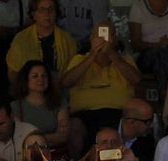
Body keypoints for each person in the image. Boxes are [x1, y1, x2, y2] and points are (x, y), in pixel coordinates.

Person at [60, 20, 142, 150]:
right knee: (74, 126)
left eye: (107, 35)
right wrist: (92, 55)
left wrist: (111, 53)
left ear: (114, 39)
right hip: (85, 114)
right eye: (99, 36)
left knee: (132, 126)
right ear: (92, 39)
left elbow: (136, 79)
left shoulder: (125, 60)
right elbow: (66, 82)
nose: (103, 39)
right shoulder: (80, 59)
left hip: (119, 114)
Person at [128, 0, 168, 96]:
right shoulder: (138, 7)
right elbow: (135, 43)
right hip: (148, 54)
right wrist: (157, 45)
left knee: (164, 53)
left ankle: (164, 93)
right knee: (162, 52)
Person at [6, 0, 78, 83]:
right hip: (28, 90)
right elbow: (13, 73)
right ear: (33, 14)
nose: (47, 13)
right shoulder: (21, 39)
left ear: (56, 13)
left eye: (51, 9)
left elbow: (73, 71)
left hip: (60, 88)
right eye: (42, 9)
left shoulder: (67, 39)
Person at [11, 60, 72, 154]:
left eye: (44, 76)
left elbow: (63, 136)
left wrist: (34, 138)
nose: (40, 79)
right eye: (35, 76)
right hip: (28, 155)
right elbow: (20, 138)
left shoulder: (59, 101)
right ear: (26, 79)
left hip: (55, 154)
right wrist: (50, 137)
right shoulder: (16, 107)